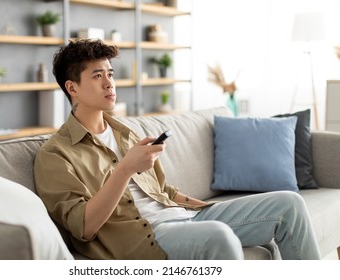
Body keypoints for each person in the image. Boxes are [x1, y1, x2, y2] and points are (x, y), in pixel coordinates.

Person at [33, 38, 321, 260]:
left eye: (110, 73)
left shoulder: (125, 131)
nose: (110, 83)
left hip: (184, 216)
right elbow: (84, 228)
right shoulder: (56, 155)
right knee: (218, 236)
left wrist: (213, 208)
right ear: (72, 88)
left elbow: (164, 191)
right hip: (146, 236)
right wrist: (124, 169)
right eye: (97, 76)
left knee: (289, 204)